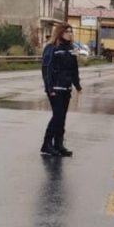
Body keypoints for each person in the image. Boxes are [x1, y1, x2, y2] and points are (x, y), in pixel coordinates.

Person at [41, 23, 82, 157]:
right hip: (55, 89)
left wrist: (77, 86)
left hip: (66, 88)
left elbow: (74, 69)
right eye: (67, 31)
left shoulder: (71, 49)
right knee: (57, 116)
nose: (70, 34)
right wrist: (49, 88)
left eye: (71, 31)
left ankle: (59, 144)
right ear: (60, 33)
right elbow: (46, 69)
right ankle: (47, 144)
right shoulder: (51, 48)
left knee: (62, 117)